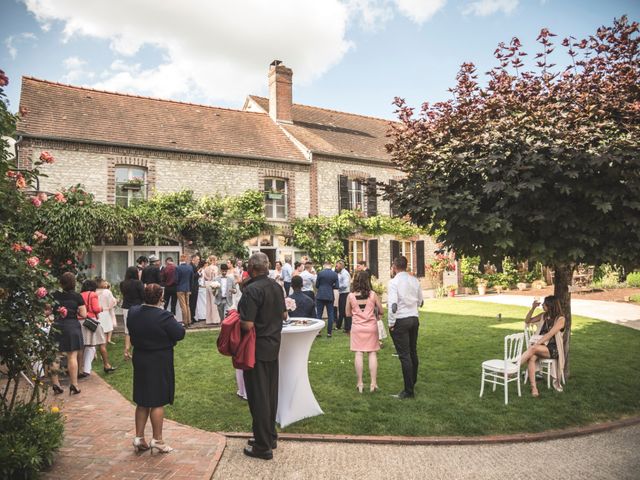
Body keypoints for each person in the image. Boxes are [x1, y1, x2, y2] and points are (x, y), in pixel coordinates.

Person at [238, 252, 287, 460]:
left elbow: (247, 324)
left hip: (256, 349)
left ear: (252, 267)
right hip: (273, 345)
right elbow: (284, 314)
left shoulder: (252, 290)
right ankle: (269, 436)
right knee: (269, 393)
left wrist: (236, 320)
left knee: (258, 397)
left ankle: (262, 446)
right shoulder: (276, 286)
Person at [127, 284, 186, 454]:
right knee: (157, 400)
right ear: (161, 298)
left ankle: (139, 437)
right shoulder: (164, 316)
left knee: (142, 398)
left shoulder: (133, 312)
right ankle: (158, 440)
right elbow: (179, 333)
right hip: (158, 359)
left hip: (140, 357)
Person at [388, 256, 423, 399]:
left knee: (404, 355)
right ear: (406, 266)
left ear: (395, 267)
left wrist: (391, 323)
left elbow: (393, 305)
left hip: (401, 320)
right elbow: (421, 301)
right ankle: (412, 381)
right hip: (414, 318)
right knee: (412, 351)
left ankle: (409, 390)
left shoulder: (393, 282)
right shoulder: (414, 280)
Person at [520, 296, 566, 397]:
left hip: (553, 349)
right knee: (531, 357)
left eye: (544, 304)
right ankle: (534, 388)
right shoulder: (543, 316)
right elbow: (527, 320)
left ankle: (514, 367)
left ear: (550, 306)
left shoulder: (560, 319)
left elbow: (549, 334)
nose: (542, 305)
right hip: (541, 346)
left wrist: (536, 344)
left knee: (532, 348)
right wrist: (533, 308)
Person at [50, 272, 86, 395]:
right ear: (73, 283)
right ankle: (74, 384)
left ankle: (55, 384)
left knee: (55, 356)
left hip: (57, 325)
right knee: (72, 356)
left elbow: (47, 311)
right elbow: (84, 314)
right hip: (72, 327)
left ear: (61, 283)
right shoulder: (77, 296)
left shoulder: (54, 295)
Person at [347, 271, 383, 393]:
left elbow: (347, 313)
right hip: (371, 327)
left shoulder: (351, 296)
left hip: (357, 327)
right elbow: (381, 310)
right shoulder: (373, 295)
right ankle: (373, 383)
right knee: (372, 353)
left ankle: (360, 382)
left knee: (358, 353)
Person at [79, 279, 115, 378]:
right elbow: (95, 309)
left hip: (81, 321)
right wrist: (102, 308)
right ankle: (103, 365)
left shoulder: (80, 295)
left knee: (84, 345)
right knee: (98, 344)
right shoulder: (93, 294)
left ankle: (82, 369)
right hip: (92, 321)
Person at [121, 266, 145, 359]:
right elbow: (143, 296)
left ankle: (126, 350)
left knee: (128, 330)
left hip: (126, 307)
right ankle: (138, 349)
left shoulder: (123, 283)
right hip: (137, 307)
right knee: (138, 328)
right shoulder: (138, 283)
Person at [315, 261, 339, 337]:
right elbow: (337, 286)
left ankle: (318, 332)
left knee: (319, 314)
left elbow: (317, 285)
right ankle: (329, 333)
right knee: (330, 314)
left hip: (320, 294)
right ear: (330, 266)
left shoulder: (320, 273)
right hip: (329, 295)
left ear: (324, 266)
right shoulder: (334, 274)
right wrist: (330, 286)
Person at [96, 278, 117, 345]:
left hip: (97, 313)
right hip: (105, 312)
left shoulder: (94, 291)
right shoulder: (107, 292)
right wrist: (109, 307)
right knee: (105, 332)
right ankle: (103, 349)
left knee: (96, 332)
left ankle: (95, 352)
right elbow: (112, 302)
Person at [176, 254, 193, 327]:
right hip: (187, 288)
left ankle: (185, 322)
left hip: (180, 288)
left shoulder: (178, 268)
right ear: (185, 259)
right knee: (187, 305)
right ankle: (189, 321)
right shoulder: (190, 267)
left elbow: (176, 279)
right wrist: (190, 288)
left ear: (180, 259)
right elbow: (191, 279)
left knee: (183, 306)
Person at [203, 256, 221, 325]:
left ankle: (209, 320)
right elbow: (215, 277)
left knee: (208, 302)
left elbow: (205, 277)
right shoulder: (215, 268)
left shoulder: (206, 268)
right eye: (216, 260)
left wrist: (209, 279)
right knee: (214, 302)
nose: (216, 262)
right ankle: (215, 319)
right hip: (213, 284)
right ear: (213, 260)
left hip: (207, 284)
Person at [335, 260, 352, 333]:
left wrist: (337, 286)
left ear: (341, 265)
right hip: (342, 293)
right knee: (342, 310)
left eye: (337, 266)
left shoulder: (344, 273)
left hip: (345, 293)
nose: (336, 267)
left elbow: (345, 285)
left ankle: (348, 327)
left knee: (345, 310)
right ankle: (342, 326)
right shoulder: (340, 273)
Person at [189, 254, 201, 324]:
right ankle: (191, 317)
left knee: (194, 302)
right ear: (193, 259)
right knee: (192, 302)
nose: (198, 261)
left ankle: (192, 316)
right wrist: (198, 273)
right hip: (193, 287)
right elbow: (192, 276)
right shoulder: (191, 266)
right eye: (198, 259)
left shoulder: (194, 266)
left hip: (195, 286)